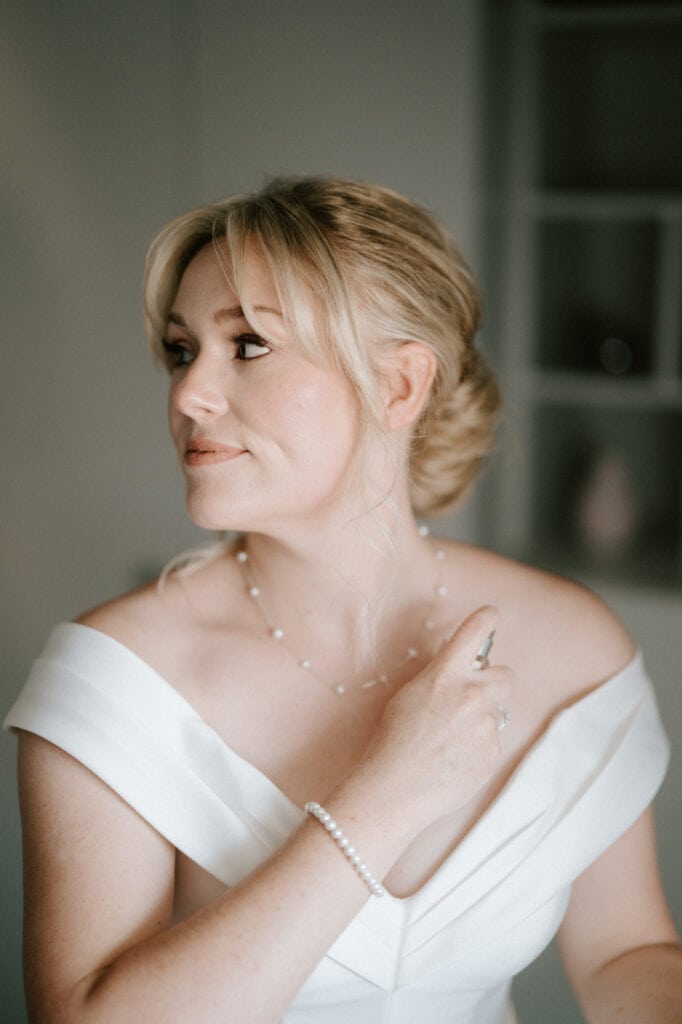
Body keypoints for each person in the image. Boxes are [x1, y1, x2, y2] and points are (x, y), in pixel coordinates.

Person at [6, 176, 682, 1024]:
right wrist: (385, 796)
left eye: (246, 345)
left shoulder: (576, 646)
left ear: (400, 387)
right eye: (183, 351)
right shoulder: (111, 682)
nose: (186, 394)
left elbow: (628, 952)